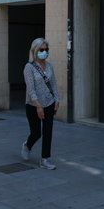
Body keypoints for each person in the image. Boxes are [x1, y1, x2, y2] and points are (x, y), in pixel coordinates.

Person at [21, 38, 60, 170]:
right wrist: (38, 105)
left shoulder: (49, 66)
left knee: (48, 131)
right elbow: (31, 90)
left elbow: (53, 84)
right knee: (37, 132)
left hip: (49, 103)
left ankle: (45, 159)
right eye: (42, 50)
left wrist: (57, 100)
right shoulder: (29, 67)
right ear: (35, 51)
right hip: (33, 105)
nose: (44, 52)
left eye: (46, 50)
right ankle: (27, 145)